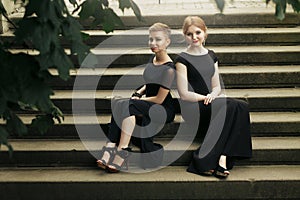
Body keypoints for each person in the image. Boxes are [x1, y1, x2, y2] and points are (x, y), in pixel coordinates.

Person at [175, 16, 252, 178]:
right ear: (185, 36)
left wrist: (212, 95)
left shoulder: (211, 55)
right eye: (189, 34)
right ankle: (203, 160)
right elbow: (183, 94)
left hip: (210, 101)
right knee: (232, 106)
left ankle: (222, 157)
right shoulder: (181, 59)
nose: (194, 37)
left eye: (198, 32)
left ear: (205, 33)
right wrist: (204, 97)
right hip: (193, 107)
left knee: (241, 105)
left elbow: (216, 86)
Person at [97, 23, 176, 173]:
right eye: (150, 39)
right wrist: (139, 92)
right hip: (149, 101)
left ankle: (120, 151)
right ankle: (111, 147)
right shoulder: (153, 58)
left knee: (127, 105)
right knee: (121, 103)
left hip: (163, 108)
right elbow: (150, 82)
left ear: (167, 42)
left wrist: (138, 100)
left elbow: (159, 99)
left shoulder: (170, 69)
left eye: (158, 40)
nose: (153, 43)